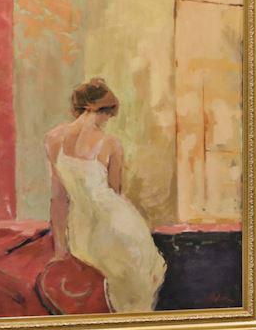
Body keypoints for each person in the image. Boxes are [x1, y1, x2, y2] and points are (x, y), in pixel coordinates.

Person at [44, 78, 166, 313]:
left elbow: (58, 198)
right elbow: (115, 192)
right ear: (94, 109)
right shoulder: (111, 144)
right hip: (114, 226)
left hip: (82, 228)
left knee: (117, 286)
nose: (107, 121)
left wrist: (60, 246)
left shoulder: (53, 139)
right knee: (136, 285)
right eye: (107, 114)